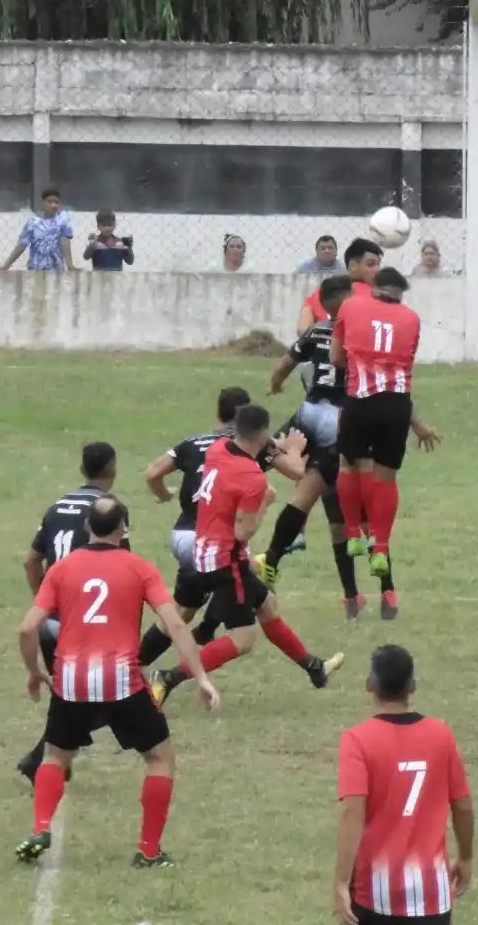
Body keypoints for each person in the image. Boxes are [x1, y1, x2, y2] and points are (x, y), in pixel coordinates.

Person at [14, 496, 219, 868]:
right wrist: (201, 677)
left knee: (55, 756)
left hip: (72, 679)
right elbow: (175, 624)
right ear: (123, 529)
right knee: (159, 758)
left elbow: (28, 627)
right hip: (121, 679)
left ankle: (41, 827)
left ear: (87, 527)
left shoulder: (61, 569)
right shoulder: (139, 567)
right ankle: (149, 851)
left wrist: (33, 671)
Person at [149, 404, 344, 704]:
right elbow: (243, 532)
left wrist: (283, 448)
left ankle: (314, 668)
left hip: (203, 548)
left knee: (267, 606)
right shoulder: (252, 478)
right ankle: (167, 678)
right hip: (225, 560)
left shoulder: (218, 449)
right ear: (263, 434)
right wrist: (266, 500)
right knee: (243, 639)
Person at [260, 276, 400, 621]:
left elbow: (284, 366)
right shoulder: (362, 332)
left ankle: (274, 558)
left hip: (308, 414)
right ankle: (386, 591)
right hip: (342, 420)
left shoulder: (316, 330)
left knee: (304, 486)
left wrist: (275, 385)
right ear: (347, 298)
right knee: (362, 516)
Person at [139, 388, 307, 667]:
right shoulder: (247, 448)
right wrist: (293, 448)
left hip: (183, 535)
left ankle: (138, 663)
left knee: (189, 607)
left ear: (218, 413)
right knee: (236, 585)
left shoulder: (195, 443)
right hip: (214, 539)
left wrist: (164, 495)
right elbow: (296, 470)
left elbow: (152, 472)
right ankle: (191, 652)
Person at [16, 442, 131, 784]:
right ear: (113, 470)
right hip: (85, 623)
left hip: (50, 622)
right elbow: (121, 566)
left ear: (82, 469)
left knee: (69, 697)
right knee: (103, 701)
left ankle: (53, 761)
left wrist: (45, 601)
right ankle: (41, 758)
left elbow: (31, 560)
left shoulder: (57, 506)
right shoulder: (110, 510)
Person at [333, 645, 474, 924]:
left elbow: (352, 813)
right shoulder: (441, 735)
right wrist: (466, 857)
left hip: (375, 894)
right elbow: (463, 807)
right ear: (412, 686)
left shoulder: (358, 740)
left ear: (369, 684)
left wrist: (340, 881)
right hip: (432, 894)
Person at [331, 267, 441, 580]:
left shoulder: (350, 306)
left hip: (359, 400)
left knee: (348, 465)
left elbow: (336, 358)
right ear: (400, 292)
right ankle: (380, 548)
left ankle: (353, 534)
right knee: (385, 477)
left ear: (374, 286)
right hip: (396, 405)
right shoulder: (412, 319)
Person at [296, 238, 381, 337]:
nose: (377, 270)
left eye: (378, 265)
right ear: (353, 266)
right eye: (371, 264)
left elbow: (302, 330)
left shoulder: (323, 293)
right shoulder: (379, 297)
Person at [0, 187, 76, 272]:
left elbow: (65, 243)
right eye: (50, 202)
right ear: (43, 203)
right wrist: (6, 266)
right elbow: (22, 245)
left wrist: (70, 265)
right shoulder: (33, 223)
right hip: (35, 270)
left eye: (56, 202)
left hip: (56, 271)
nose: (53, 205)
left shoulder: (63, 222)